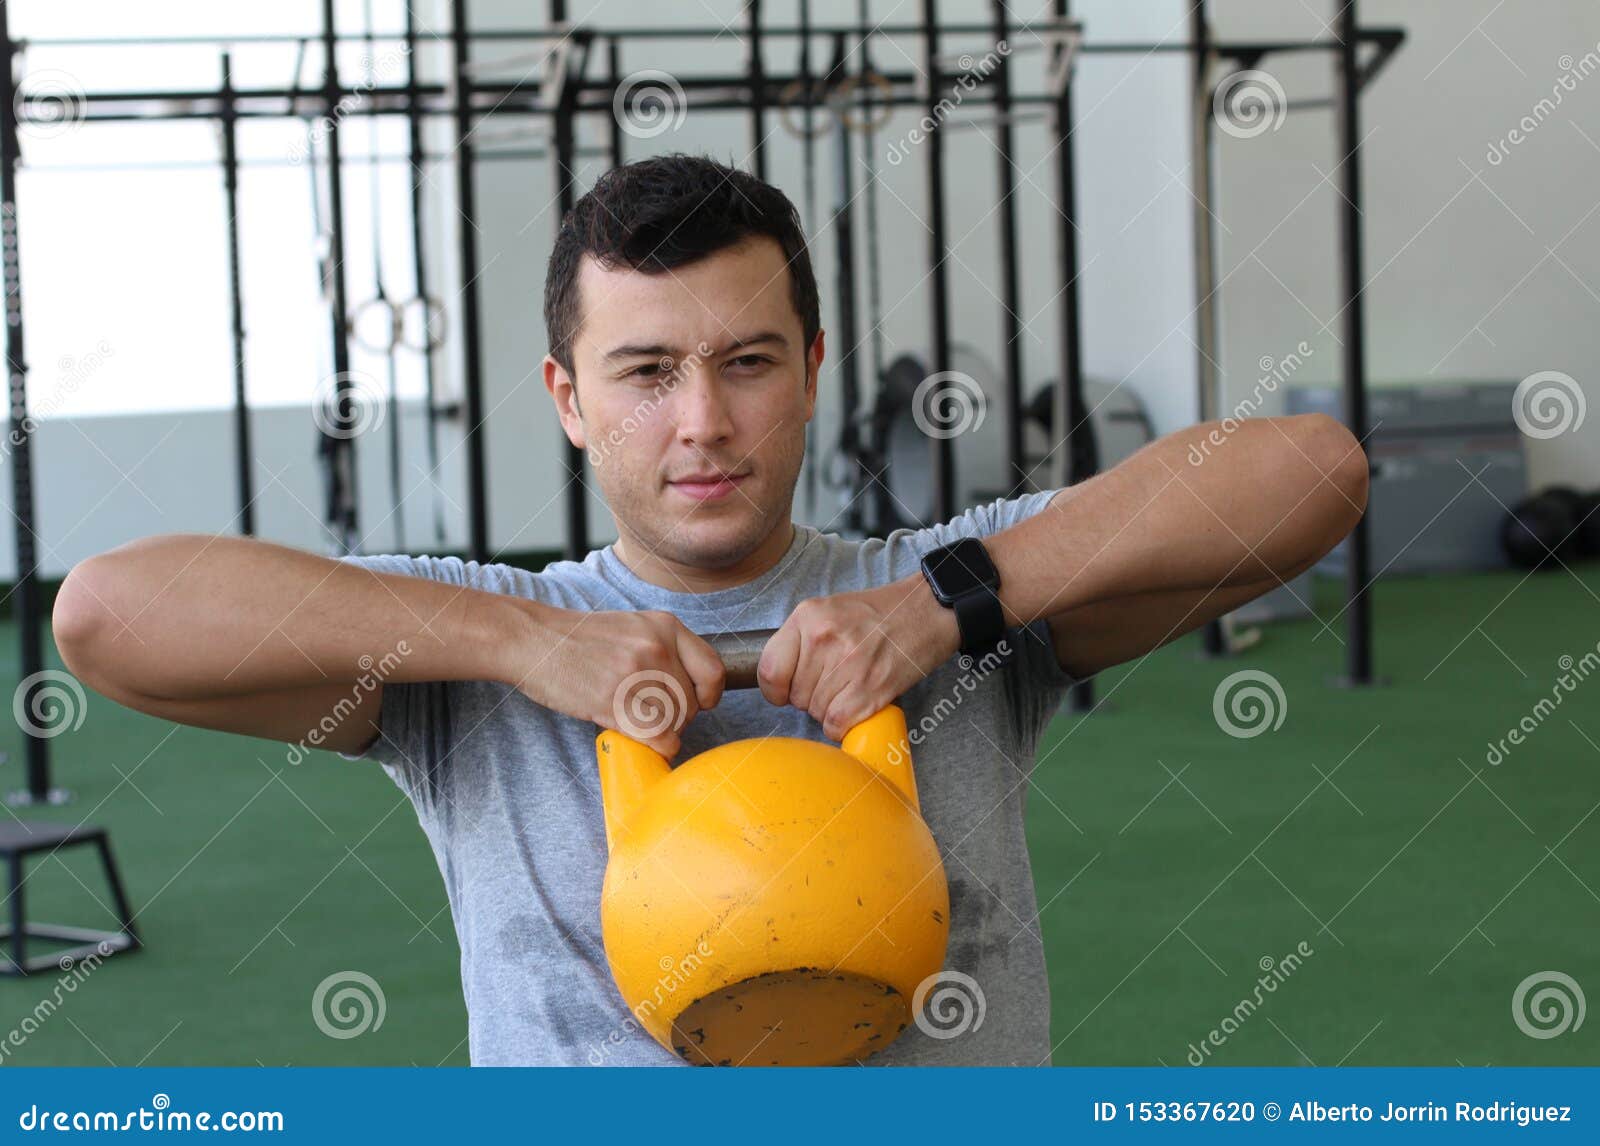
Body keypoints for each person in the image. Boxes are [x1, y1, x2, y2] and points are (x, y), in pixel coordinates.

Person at [53, 153, 1367, 1067]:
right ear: (568, 399)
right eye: (645, 372)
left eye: (745, 363)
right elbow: (109, 616)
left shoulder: (956, 598)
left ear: (808, 373)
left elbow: (1315, 474)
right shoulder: (477, 648)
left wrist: (950, 603)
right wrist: (530, 645)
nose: (702, 422)